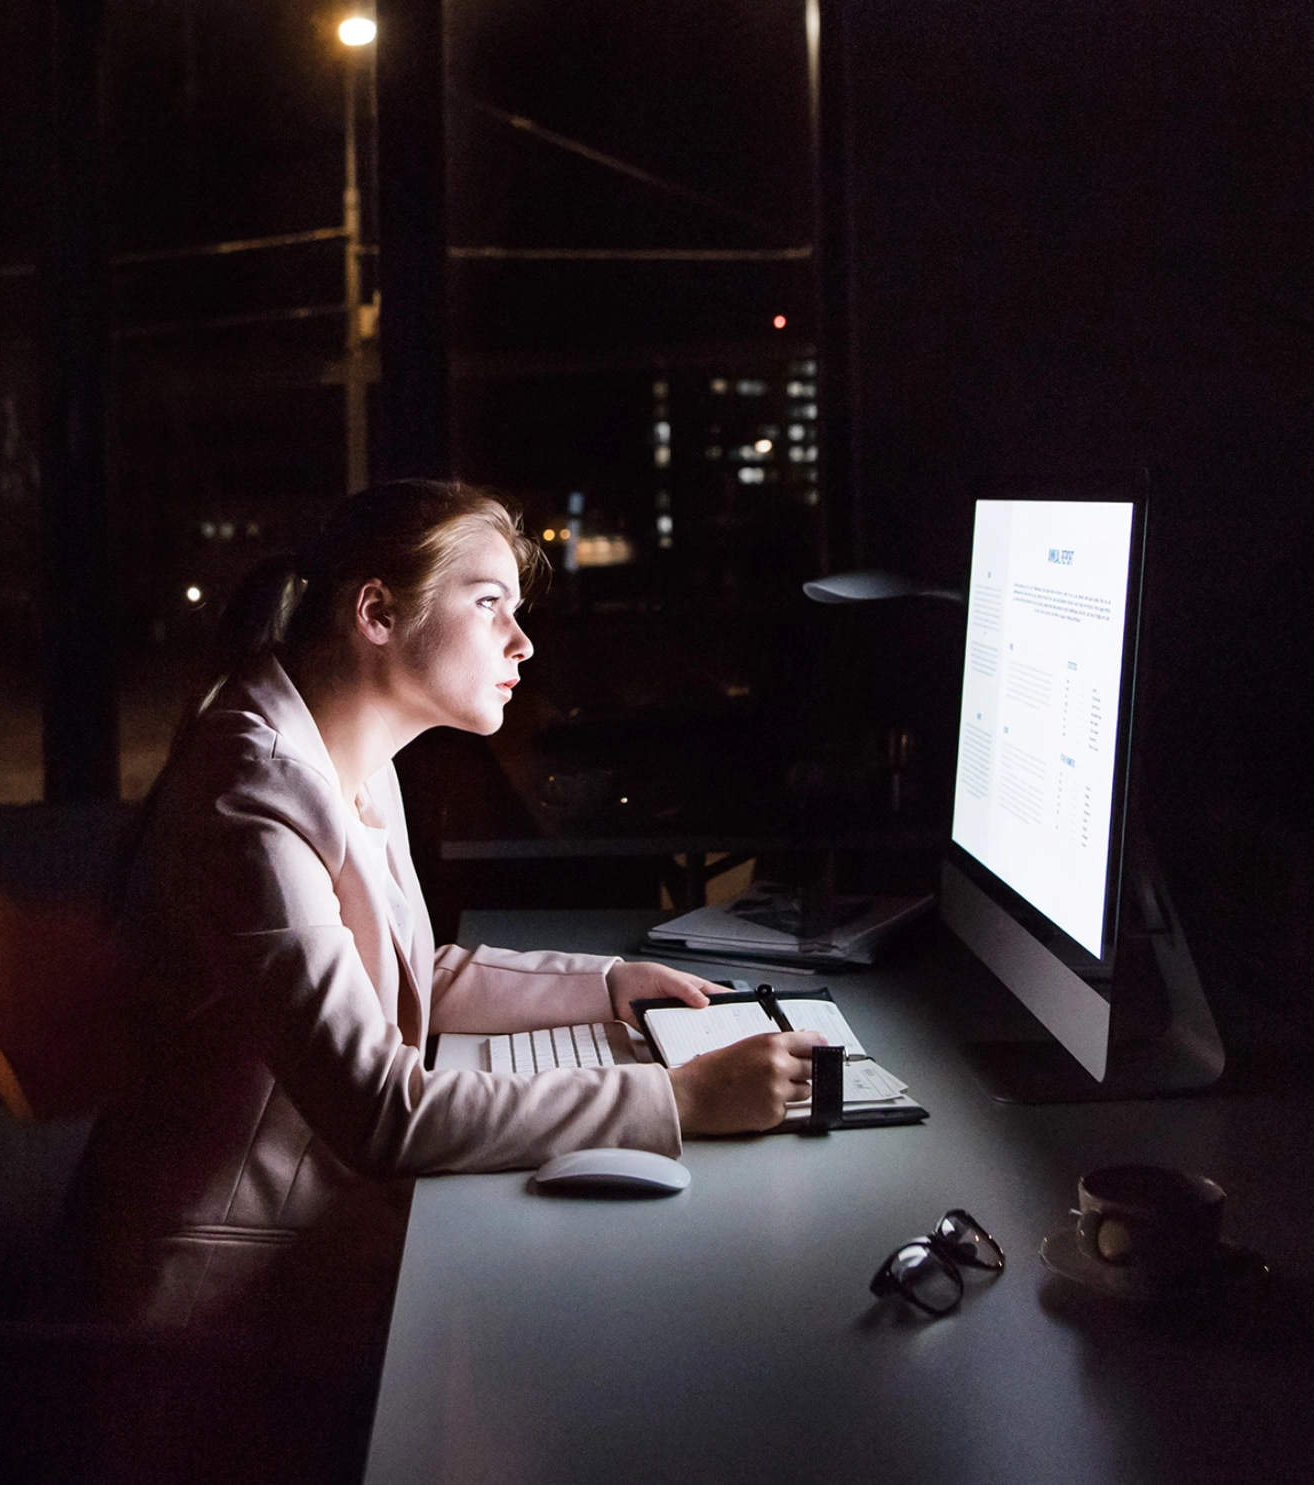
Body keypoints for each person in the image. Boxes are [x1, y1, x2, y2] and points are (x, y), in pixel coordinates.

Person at [75, 480, 822, 1344]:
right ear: (377, 614)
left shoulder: (347, 753)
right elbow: (382, 1114)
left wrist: (608, 986)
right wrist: (679, 1098)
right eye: (489, 603)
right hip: (209, 1302)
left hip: (305, 1240)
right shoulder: (253, 798)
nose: (522, 640)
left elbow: (398, 973)